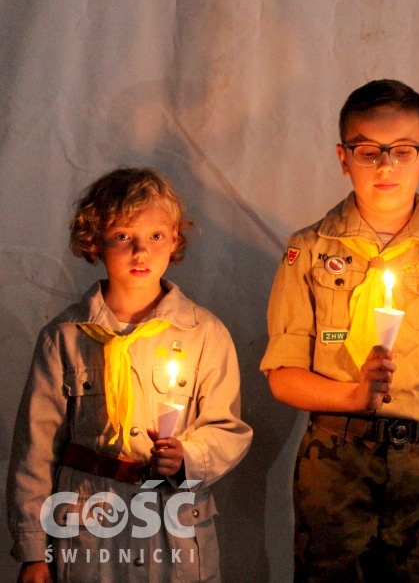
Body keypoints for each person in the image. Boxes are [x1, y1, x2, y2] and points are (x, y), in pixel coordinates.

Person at [260, 79, 419, 582]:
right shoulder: (307, 251)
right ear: (343, 158)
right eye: (368, 151)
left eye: (403, 150)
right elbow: (283, 376)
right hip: (335, 462)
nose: (386, 166)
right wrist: (352, 395)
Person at [7, 167, 253, 582]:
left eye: (155, 236)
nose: (141, 251)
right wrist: (33, 552)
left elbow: (227, 428)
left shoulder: (203, 333)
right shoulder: (65, 337)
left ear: (174, 238)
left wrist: (187, 457)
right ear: (94, 240)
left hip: (172, 531)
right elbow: (35, 450)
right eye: (123, 236)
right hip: (88, 531)